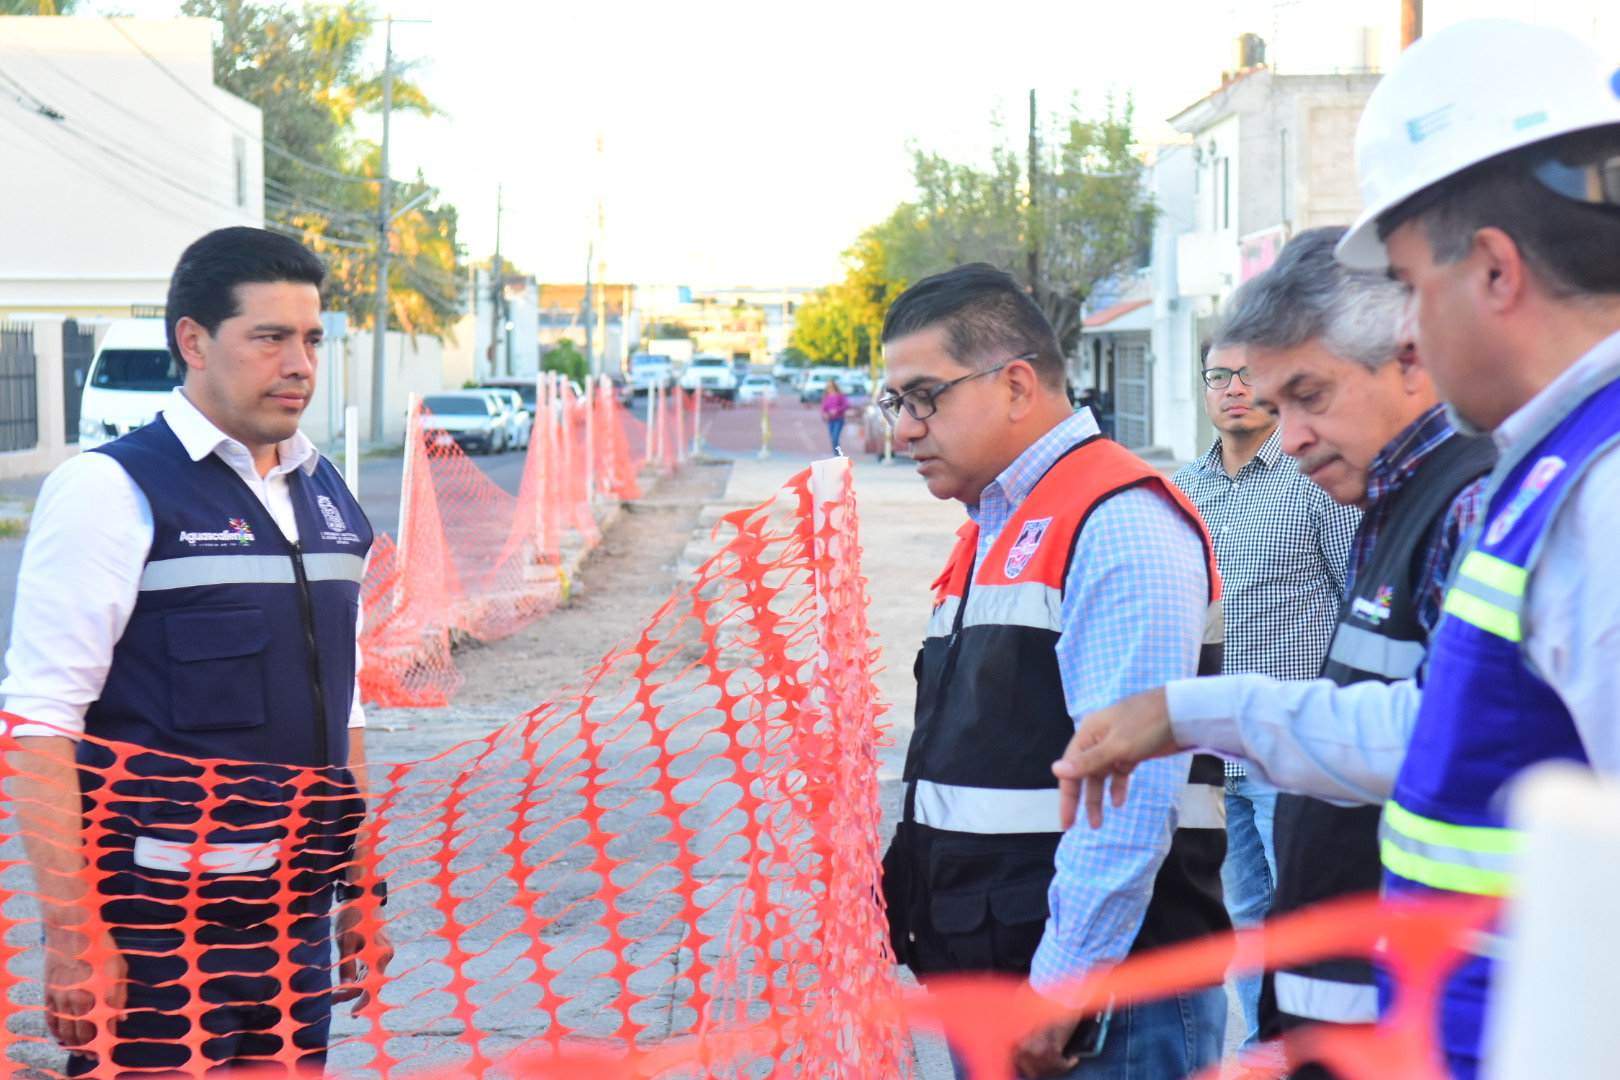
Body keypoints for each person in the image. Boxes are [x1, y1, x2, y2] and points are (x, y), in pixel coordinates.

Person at [1050, 20, 1620, 1080]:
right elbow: (1450, 740)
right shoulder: (1554, 472)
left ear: (1494, 271)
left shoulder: (1597, 492)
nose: (1407, 332)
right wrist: (1188, 710)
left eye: (1408, 284)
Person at [5, 226, 389, 1075]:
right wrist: (73, 934)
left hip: (295, 923)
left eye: (312, 339)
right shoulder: (111, 490)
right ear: (193, 340)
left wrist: (361, 888)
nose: (300, 364)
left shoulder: (327, 493)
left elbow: (348, 706)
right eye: (270, 337)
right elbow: (38, 726)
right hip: (156, 934)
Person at [877, 263, 1229, 1080]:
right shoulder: (993, 525)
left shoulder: (1116, 521)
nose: (905, 430)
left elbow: (1131, 791)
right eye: (897, 403)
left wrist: (1065, 984)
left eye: (925, 397)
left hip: (1101, 1009)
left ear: (1015, 385)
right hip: (1008, 977)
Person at [1201, 227, 1494, 1077]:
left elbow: (1448, 744)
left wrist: (1196, 713)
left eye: (1310, 396)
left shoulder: (1466, 503)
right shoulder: (1390, 498)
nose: (1291, 436)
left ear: (1409, 360)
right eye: (1275, 403)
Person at [1170, 340, 1359, 1060]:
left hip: (1295, 750)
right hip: (1215, 754)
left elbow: (1358, 599)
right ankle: (1264, 1058)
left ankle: (1321, 1058)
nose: (1233, 388)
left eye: (1248, 374)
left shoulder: (1314, 478)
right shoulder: (1183, 488)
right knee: (1246, 921)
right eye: (1218, 375)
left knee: (1309, 920)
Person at [821, 379, 850, 453]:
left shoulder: (840, 396)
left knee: (835, 436)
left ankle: (837, 453)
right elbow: (824, 408)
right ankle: (835, 452)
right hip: (830, 420)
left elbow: (846, 405)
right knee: (833, 438)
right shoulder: (826, 397)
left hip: (838, 419)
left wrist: (837, 410)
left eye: (831, 387)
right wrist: (824, 414)